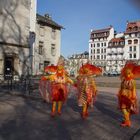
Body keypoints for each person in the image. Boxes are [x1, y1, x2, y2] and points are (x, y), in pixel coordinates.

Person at [118, 62, 140, 127]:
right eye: (126, 73)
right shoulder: (124, 80)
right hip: (123, 96)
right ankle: (127, 120)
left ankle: (127, 121)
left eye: (129, 73)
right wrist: (119, 95)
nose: (128, 75)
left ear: (131, 73)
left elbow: (133, 89)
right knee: (125, 108)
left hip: (128, 96)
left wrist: (133, 97)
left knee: (124, 108)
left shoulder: (131, 81)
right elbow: (121, 88)